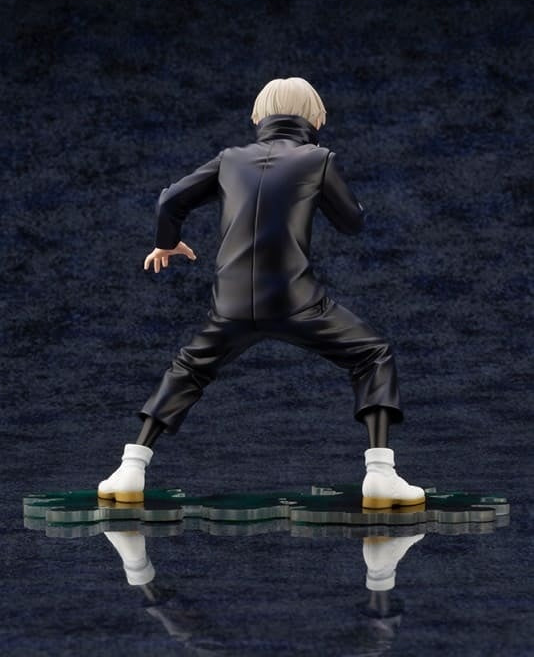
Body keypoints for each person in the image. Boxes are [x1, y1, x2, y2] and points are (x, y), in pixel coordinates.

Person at [97, 77, 424, 509]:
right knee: (373, 354)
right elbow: (351, 222)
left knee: (188, 369)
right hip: (296, 300)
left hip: (230, 303)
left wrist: (166, 241)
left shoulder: (230, 160)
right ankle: (381, 475)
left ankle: (130, 469)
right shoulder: (318, 159)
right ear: (317, 118)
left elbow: (170, 200)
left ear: (257, 117)